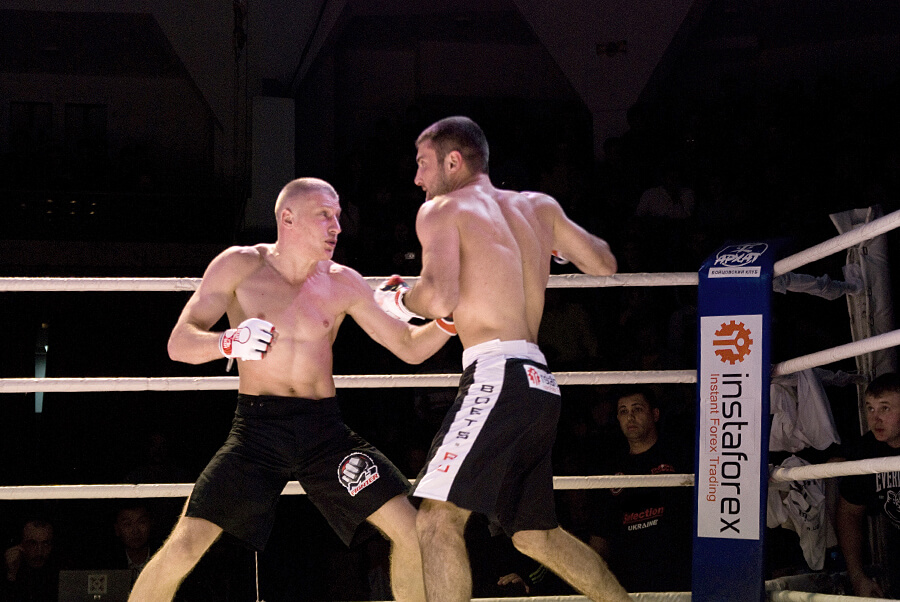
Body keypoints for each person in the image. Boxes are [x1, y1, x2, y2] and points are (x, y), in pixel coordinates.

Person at [128, 177, 452, 602]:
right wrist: (228, 341)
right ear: (288, 218)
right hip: (257, 431)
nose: (337, 226)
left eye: (338, 216)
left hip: (324, 433)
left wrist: (449, 320)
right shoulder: (239, 265)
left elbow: (408, 347)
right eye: (325, 215)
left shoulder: (343, 281)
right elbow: (179, 343)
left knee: (413, 531)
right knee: (186, 544)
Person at [374, 116, 628, 602]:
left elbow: (440, 296)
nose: (417, 178)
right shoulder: (537, 207)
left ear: (453, 161)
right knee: (536, 536)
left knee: (436, 520)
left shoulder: (441, 210)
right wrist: (550, 244)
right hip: (538, 382)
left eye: (422, 163)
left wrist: (398, 300)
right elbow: (603, 262)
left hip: (497, 375)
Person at [587, 387, 693, 592]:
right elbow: (600, 535)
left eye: (637, 409)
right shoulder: (610, 471)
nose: (630, 417)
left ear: (655, 414)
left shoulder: (680, 456)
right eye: (623, 411)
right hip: (630, 584)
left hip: (678, 578)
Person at [836, 372, 900, 598]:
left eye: (885, 408)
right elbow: (849, 512)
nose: (875, 419)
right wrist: (857, 576)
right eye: (870, 408)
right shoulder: (866, 450)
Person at [2, 518, 59, 601]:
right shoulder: (9, 567)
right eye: (32, 543)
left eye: (46, 543)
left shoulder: (60, 570)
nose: (39, 551)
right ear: (21, 544)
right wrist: (11, 575)